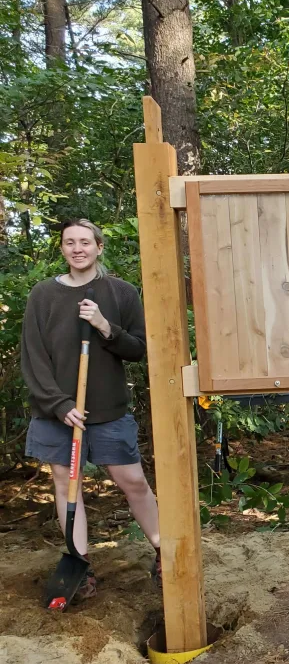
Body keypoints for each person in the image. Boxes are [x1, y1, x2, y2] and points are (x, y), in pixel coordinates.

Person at [21, 218, 161, 600]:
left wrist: (104, 326)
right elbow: (33, 358)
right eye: (70, 242)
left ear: (99, 247)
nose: (77, 248)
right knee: (68, 487)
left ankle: (164, 549)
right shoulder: (42, 295)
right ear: (63, 249)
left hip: (108, 411)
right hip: (57, 413)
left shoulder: (121, 292)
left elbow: (138, 348)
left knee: (133, 482)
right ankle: (79, 564)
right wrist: (59, 404)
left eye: (85, 241)